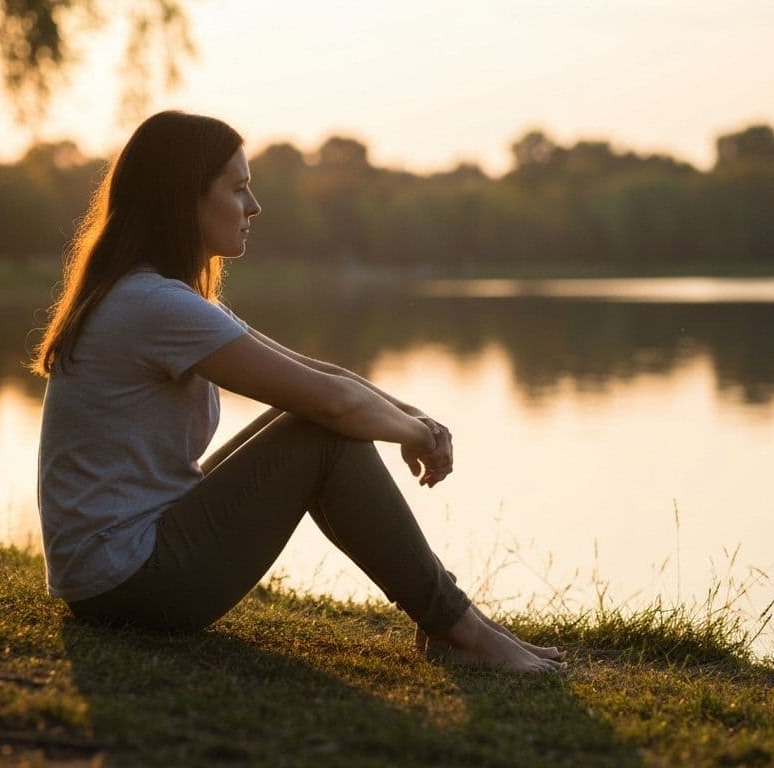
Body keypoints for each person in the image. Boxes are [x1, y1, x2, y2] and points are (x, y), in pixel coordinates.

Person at [32, 111, 564, 673]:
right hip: (127, 583)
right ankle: (461, 630)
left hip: (112, 575)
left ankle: (459, 623)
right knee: (324, 433)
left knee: (315, 420)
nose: (254, 206)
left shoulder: (151, 295)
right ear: (185, 199)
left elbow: (315, 373)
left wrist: (414, 416)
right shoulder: (154, 305)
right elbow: (331, 403)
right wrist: (415, 433)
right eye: (238, 188)